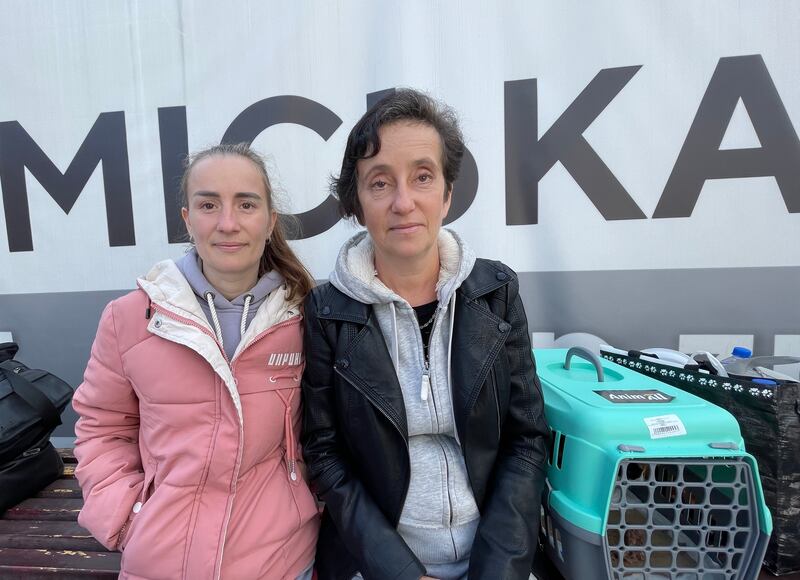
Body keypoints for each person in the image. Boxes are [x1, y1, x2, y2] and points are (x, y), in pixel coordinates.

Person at [301, 89, 549, 580]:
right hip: (376, 565)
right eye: (379, 183)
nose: (403, 202)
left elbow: (526, 440)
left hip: (494, 558)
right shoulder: (328, 312)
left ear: (447, 193)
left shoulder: (494, 292)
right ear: (356, 203)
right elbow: (325, 456)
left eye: (422, 177)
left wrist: (497, 571)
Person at [72, 143, 320, 579]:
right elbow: (101, 427)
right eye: (209, 204)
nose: (228, 223)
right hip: (162, 562)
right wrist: (127, 518)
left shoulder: (305, 316)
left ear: (269, 222)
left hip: (280, 561)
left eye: (246, 204)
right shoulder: (130, 319)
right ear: (187, 218)